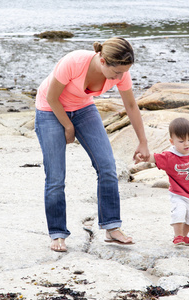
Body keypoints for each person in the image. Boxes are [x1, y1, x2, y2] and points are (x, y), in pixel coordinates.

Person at [35, 37, 150, 252]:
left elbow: (132, 105)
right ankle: (57, 233)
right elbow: (52, 97)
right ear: (103, 61)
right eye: (116, 73)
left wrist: (143, 142)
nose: (120, 77)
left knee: (107, 166)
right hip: (50, 110)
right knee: (56, 176)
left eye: (124, 72)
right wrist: (68, 127)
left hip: (83, 109)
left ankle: (112, 227)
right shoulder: (75, 61)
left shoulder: (120, 73)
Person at [135, 117, 189, 246]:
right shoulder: (169, 156)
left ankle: (184, 236)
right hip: (178, 193)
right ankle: (177, 237)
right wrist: (143, 157)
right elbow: (154, 157)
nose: (186, 144)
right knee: (179, 212)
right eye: (181, 141)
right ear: (172, 141)